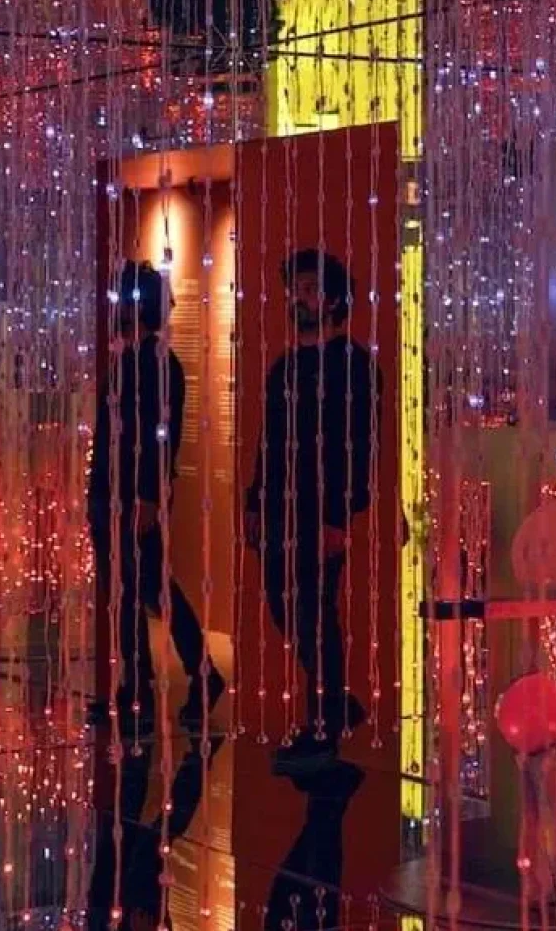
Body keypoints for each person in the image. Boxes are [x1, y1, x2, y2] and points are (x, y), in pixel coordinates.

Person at [244, 248, 381, 772]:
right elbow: (268, 440)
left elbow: (358, 444)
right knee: (284, 608)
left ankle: (322, 724)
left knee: (312, 611)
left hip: (320, 510)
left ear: (332, 298)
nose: (297, 298)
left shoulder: (354, 364)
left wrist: (339, 517)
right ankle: (336, 703)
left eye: (308, 289)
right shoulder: (284, 366)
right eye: (294, 288)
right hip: (278, 506)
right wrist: (256, 500)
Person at [89, 260, 223, 730]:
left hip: (130, 495)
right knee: (129, 590)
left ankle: (197, 672)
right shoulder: (134, 358)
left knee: (149, 586)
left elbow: (159, 433)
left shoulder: (159, 362)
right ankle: (138, 685)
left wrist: (148, 493)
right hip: (112, 492)